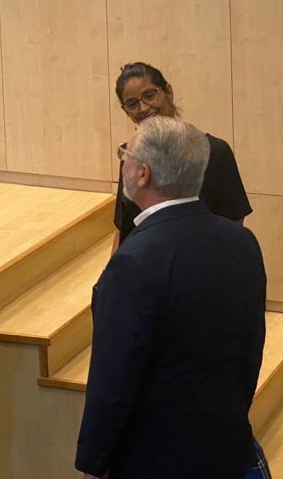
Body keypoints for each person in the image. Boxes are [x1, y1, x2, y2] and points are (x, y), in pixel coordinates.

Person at [75, 116, 267, 479]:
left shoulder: (133, 261)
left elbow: (113, 380)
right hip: (228, 445)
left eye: (125, 154)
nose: (122, 162)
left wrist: (93, 463)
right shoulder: (242, 242)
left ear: (142, 174)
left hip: (156, 459)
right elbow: (250, 349)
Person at [112, 61, 251, 250]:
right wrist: (113, 268)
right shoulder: (130, 156)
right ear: (126, 111)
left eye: (150, 96)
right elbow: (123, 230)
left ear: (168, 92)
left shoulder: (215, 152)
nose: (143, 108)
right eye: (132, 104)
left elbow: (233, 226)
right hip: (144, 263)